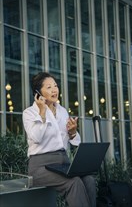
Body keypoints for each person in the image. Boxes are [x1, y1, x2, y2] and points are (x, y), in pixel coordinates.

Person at [22, 72, 96, 207]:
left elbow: (72, 141)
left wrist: (73, 133)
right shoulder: (29, 113)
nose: (54, 89)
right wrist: (42, 112)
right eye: (49, 87)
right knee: (74, 182)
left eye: (55, 85)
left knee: (89, 180)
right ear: (38, 93)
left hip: (63, 163)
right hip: (41, 167)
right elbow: (36, 138)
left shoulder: (62, 111)